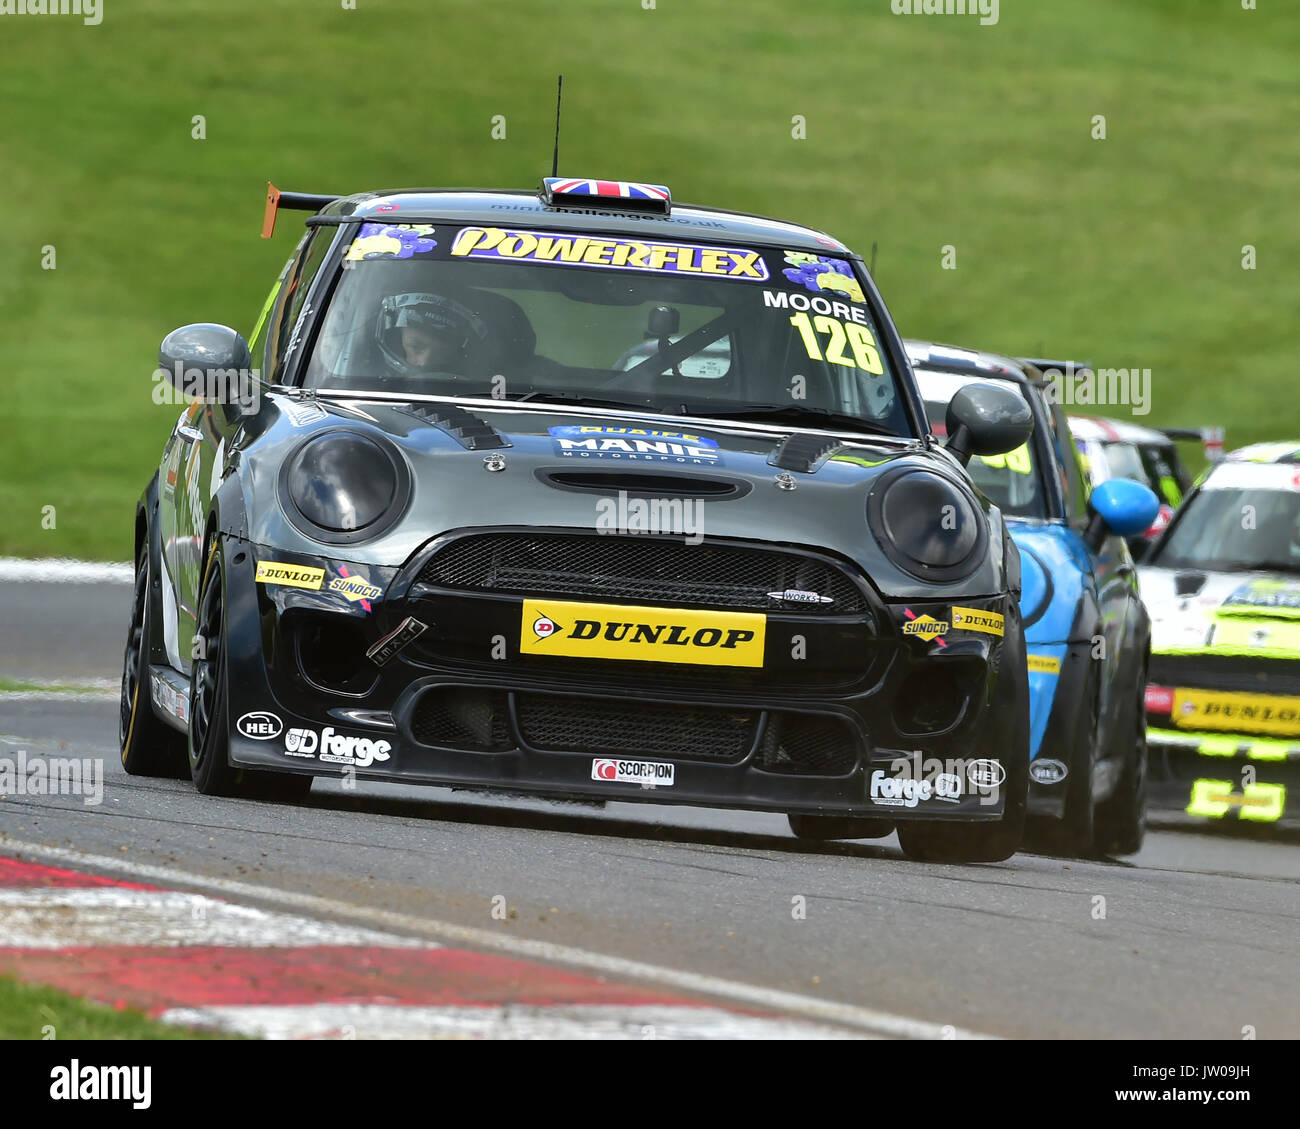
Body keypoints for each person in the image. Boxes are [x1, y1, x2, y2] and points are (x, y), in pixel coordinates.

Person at [375, 292, 485, 379]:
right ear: (397, 341)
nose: (424, 362)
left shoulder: (474, 386)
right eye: (415, 347)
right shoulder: (366, 380)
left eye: (442, 352)